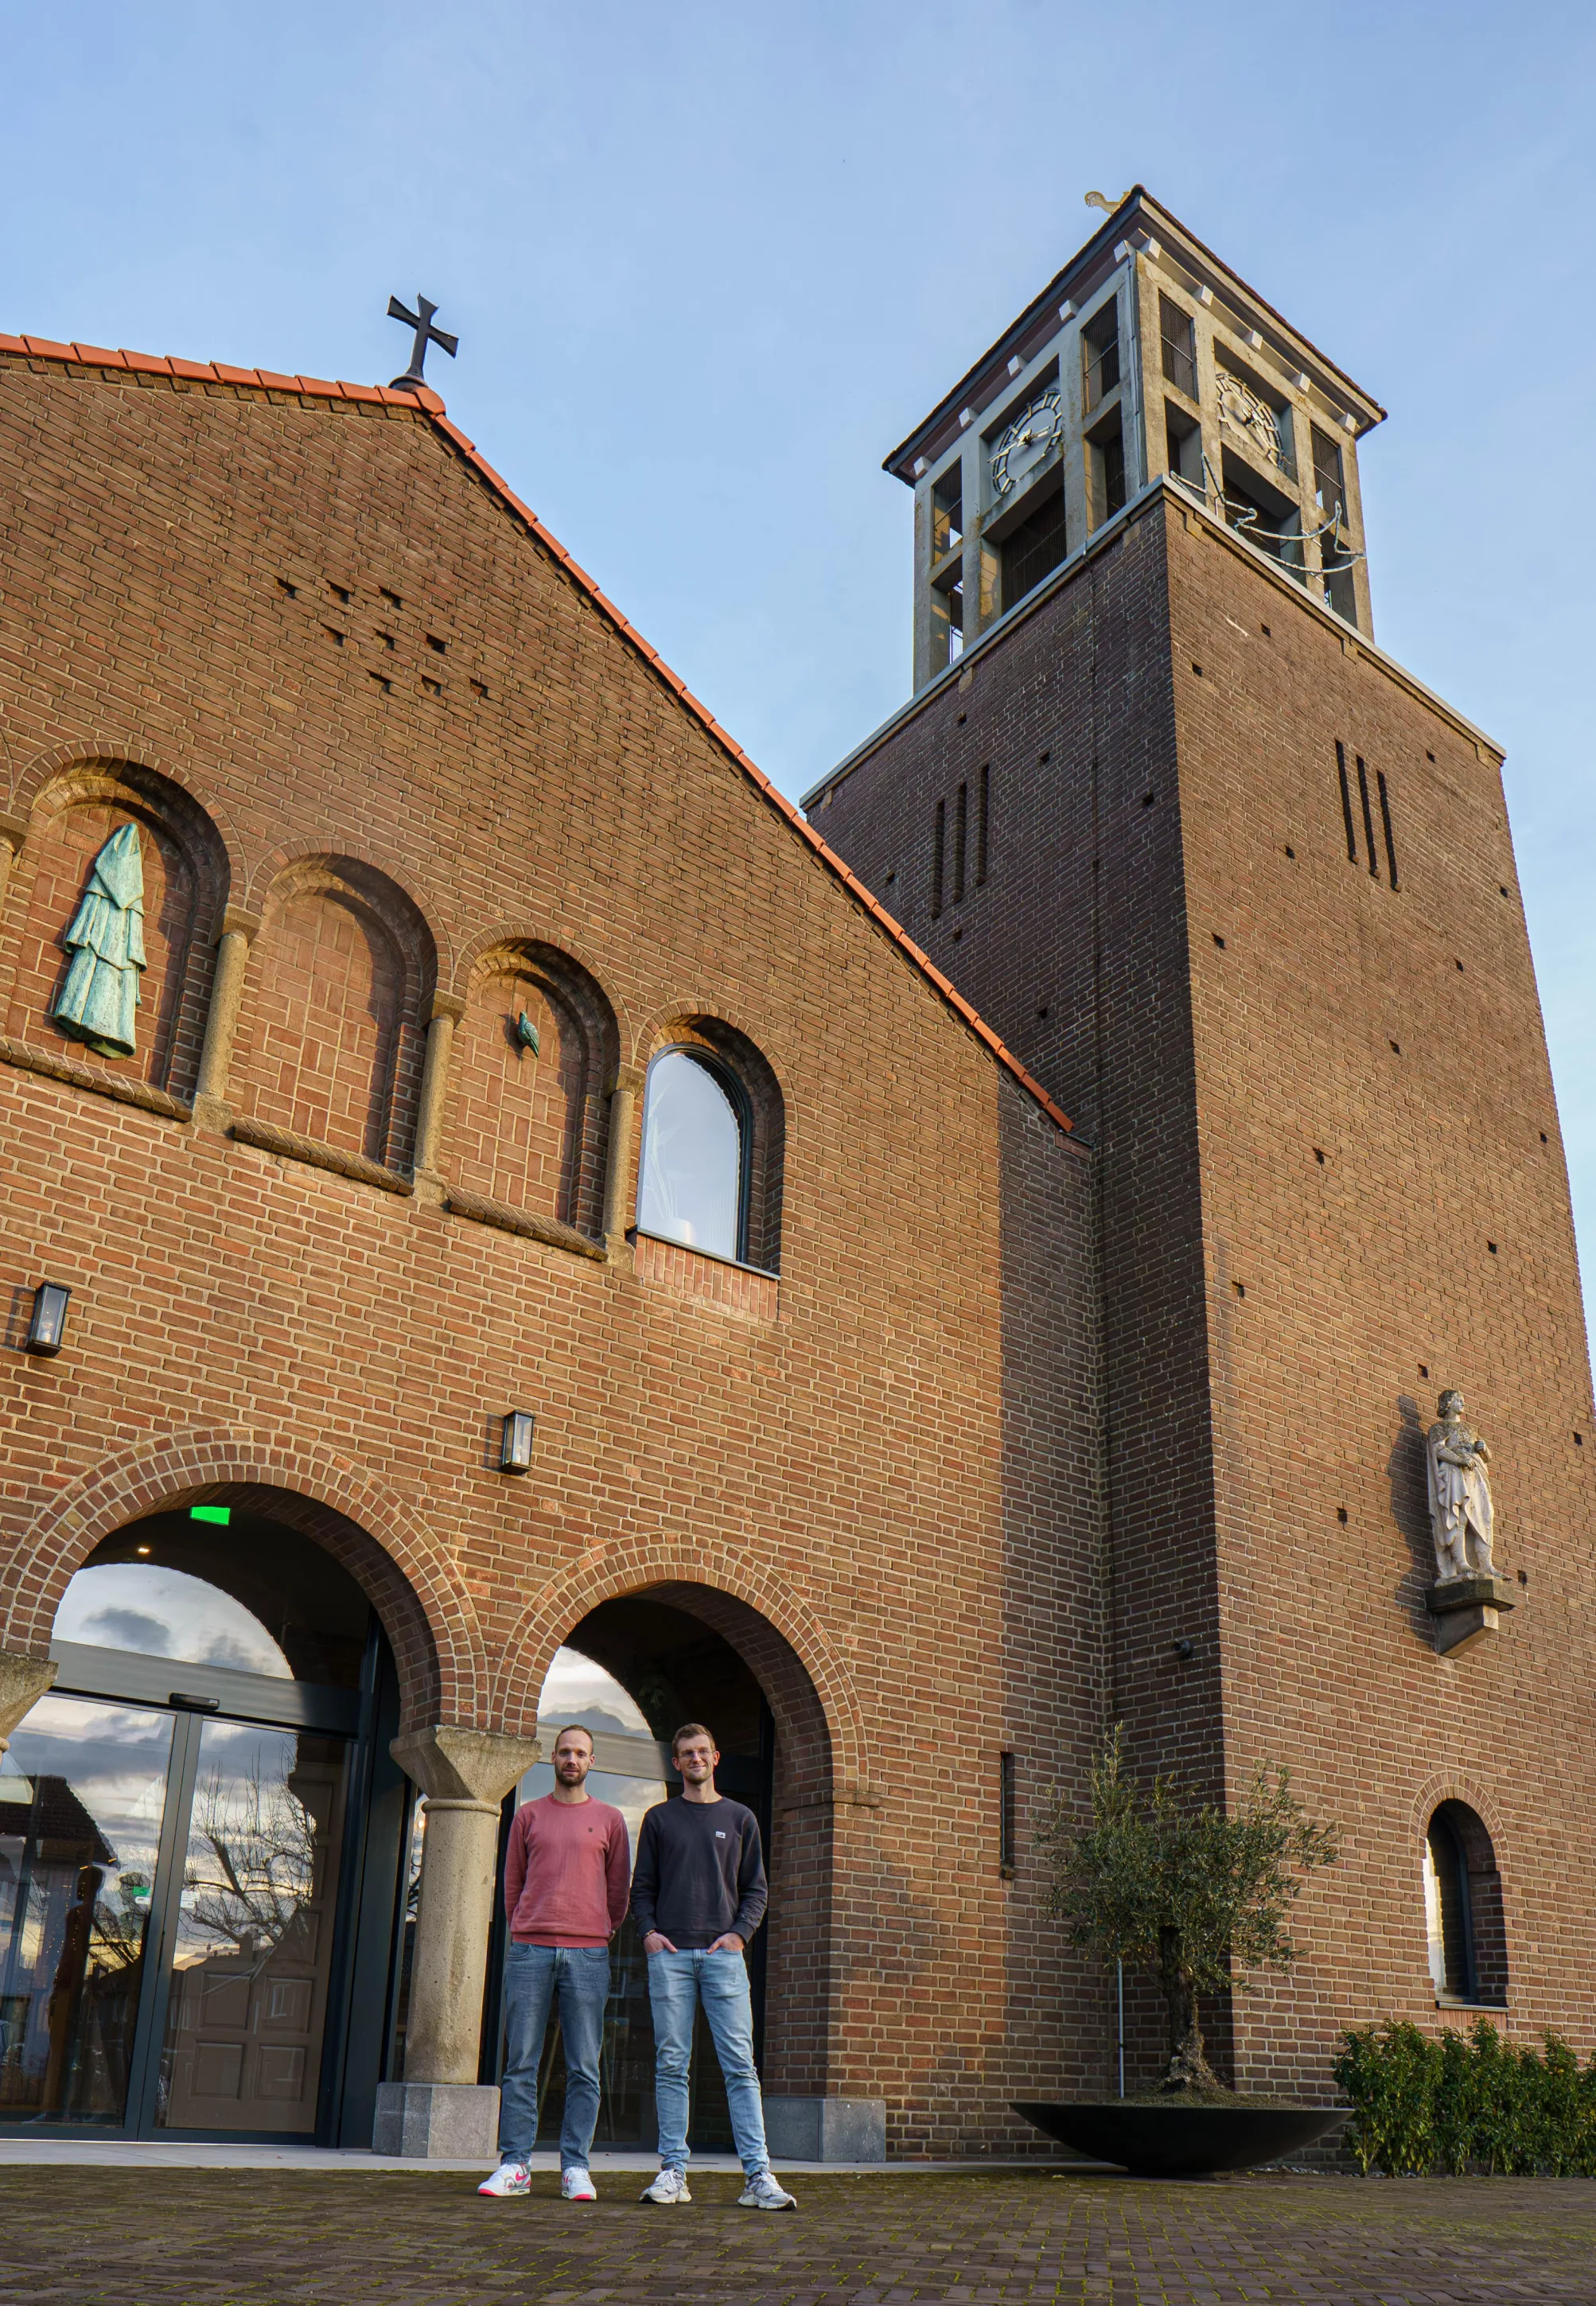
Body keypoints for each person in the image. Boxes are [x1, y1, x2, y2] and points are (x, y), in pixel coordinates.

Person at [632, 1722, 796, 2212]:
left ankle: (758, 2177)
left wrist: (739, 1936)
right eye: (686, 1753)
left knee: (740, 2068)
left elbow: (756, 1889)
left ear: (716, 1758)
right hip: (672, 1958)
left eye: (703, 1750)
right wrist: (649, 1935)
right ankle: (673, 2173)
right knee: (671, 2065)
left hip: (723, 1960)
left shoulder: (741, 1817)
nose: (695, 1759)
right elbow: (642, 1889)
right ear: (677, 1763)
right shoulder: (659, 1819)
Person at [478, 1724, 631, 2203]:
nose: (571, 1759)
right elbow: (512, 1883)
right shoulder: (527, 1816)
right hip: (530, 1949)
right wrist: (524, 1925)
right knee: (521, 2062)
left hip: (588, 1953)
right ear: (553, 1759)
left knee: (584, 2065)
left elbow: (619, 1891)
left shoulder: (610, 1819)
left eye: (580, 1753)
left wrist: (598, 1929)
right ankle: (515, 2165)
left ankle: (576, 2168)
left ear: (591, 1762)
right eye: (564, 1751)